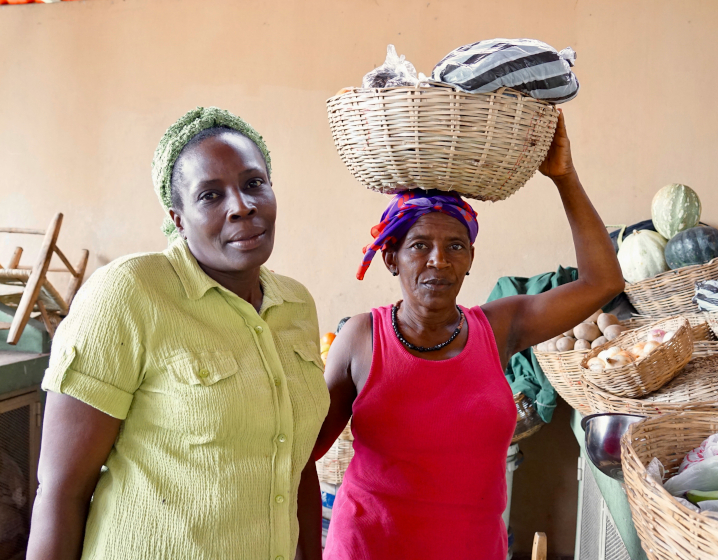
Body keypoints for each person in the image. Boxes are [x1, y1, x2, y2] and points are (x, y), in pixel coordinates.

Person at [310, 108, 624, 560]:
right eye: (420, 245)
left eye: (455, 246)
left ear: (470, 258)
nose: (439, 260)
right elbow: (305, 449)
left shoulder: (499, 328)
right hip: (368, 548)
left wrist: (564, 177)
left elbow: (602, 282)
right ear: (391, 259)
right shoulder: (362, 338)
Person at [27, 107, 328, 560]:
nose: (241, 206)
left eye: (253, 183)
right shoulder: (130, 292)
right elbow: (60, 492)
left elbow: (297, 464)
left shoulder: (296, 304)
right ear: (178, 218)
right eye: (210, 195)